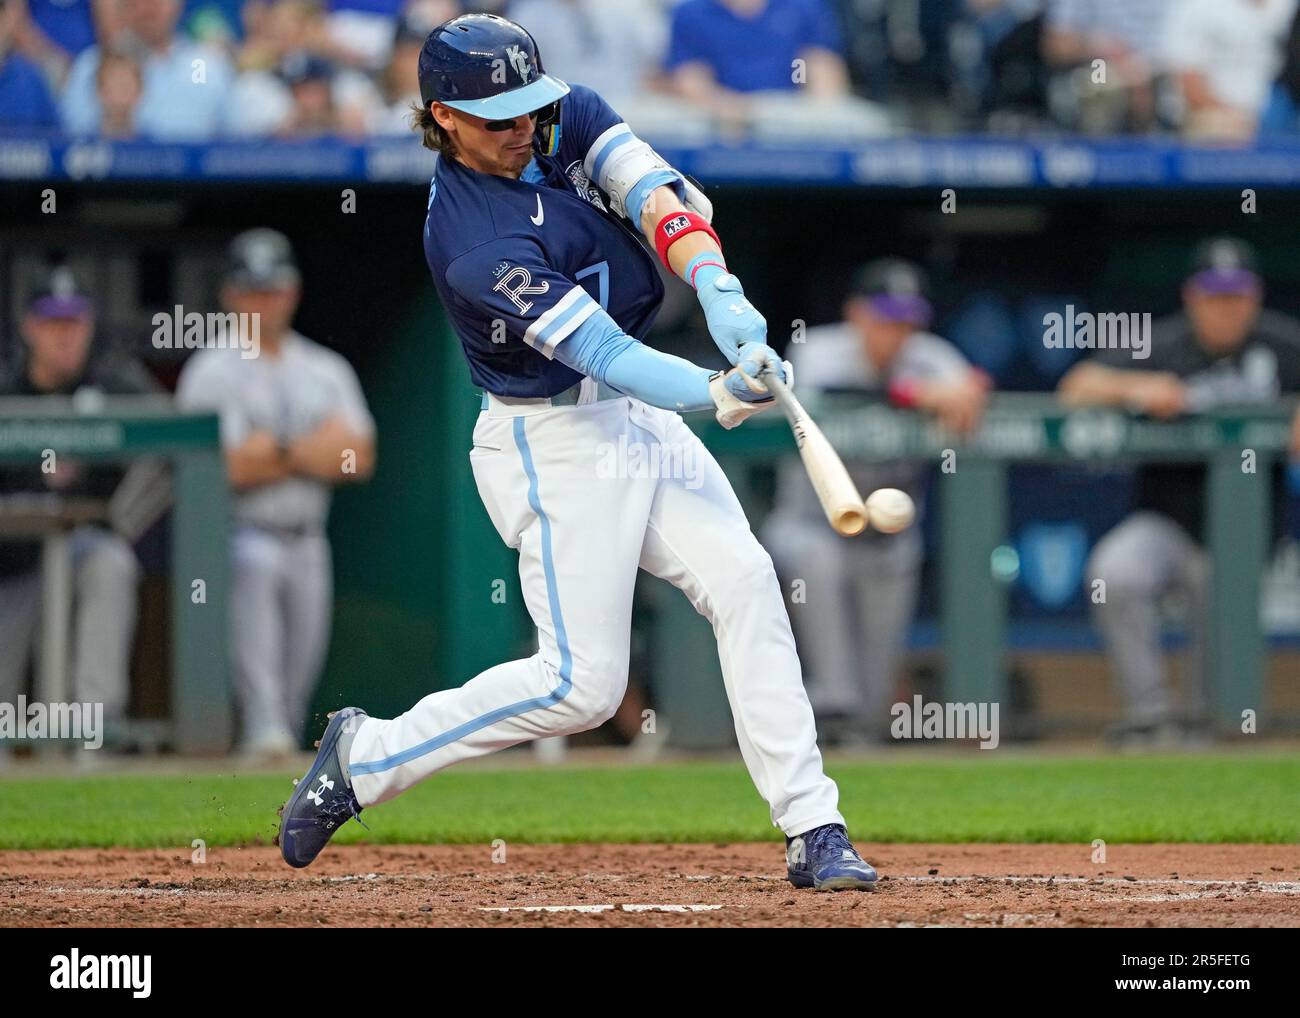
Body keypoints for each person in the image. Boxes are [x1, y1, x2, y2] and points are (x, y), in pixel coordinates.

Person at [278, 12, 879, 892]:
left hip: (635, 421)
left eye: (529, 108)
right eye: (498, 117)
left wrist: (720, 289)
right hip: (552, 439)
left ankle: (813, 826)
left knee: (746, 582)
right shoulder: (471, 240)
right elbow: (605, 353)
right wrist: (715, 390)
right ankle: (366, 755)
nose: (523, 129)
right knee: (582, 687)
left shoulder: (563, 117)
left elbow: (657, 198)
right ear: (442, 115)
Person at [1058, 237, 1300, 746]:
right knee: (1115, 571)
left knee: (1219, 667)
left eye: (1236, 295)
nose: (1226, 307)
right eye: (1214, 295)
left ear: (1254, 297)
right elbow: (1076, 385)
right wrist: (1136, 388)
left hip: (1242, 532)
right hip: (1166, 520)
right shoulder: (1163, 343)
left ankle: (1205, 730)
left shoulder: (1283, 344)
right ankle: (1151, 718)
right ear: (1193, 296)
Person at [763, 259, 989, 745]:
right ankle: (828, 708)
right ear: (857, 314)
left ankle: (858, 728)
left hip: (887, 533)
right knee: (819, 565)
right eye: (884, 316)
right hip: (810, 524)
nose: (896, 331)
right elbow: (834, 394)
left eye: (907, 319)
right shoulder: (818, 347)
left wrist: (963, 393)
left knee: (875, 686)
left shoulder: (929, 354)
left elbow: (973, 388)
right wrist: (915, 393)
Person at [176, 229, 376, 761]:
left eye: (274, 288)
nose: (265, 301)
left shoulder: (322, 367)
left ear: (292, 291)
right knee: (261, 665)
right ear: (231, 295)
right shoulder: (211, 369)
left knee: (299, 672)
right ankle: (262, 734)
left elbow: (358, 455)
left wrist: (279, 449)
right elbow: (232, 466)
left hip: (309, 534)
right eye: (253, 290)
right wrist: (312, 448)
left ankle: (278, 746)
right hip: (244, 534)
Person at [0, 267, 158, 748]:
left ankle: (97, 732)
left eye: (74, 323)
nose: (64, 336)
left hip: (80, 546)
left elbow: (178, 439)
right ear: (29, 327)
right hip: (10, 563)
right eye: (52, 323)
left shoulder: (112, 380)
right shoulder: (7, 385)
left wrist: (119, 522)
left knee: (110, 562)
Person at [60, 0, 234, 139]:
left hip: (197, 180)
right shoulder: (91, 65)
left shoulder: (206, 66)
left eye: (158, 1)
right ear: (123, 6)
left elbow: (236, 138)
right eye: (139, 1)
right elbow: (72, 139)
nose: (149, 8)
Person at [1161, 0, 1298, 141]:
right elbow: (1189, 83)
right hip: (1216, 115)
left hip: (1279, 111)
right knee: (1220, 127)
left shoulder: (1287, 6)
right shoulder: (1196, 6)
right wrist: (1235, 118)